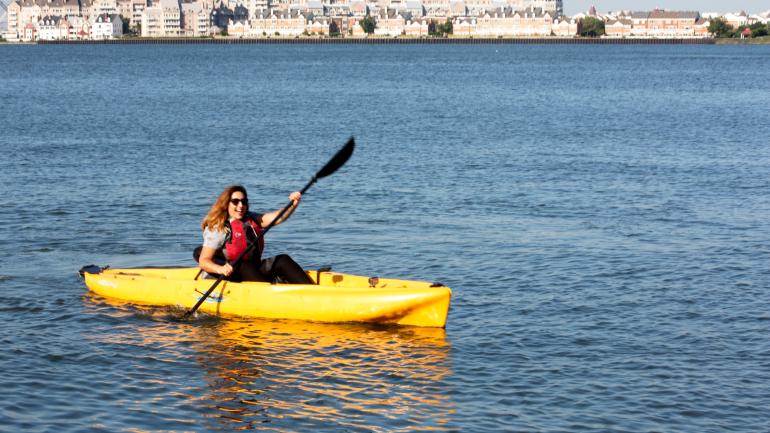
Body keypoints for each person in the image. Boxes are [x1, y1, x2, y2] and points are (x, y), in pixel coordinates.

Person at [196, 185, 313, 284]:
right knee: (244, 265)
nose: (240, 205)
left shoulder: (251, 218)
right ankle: (269, 293)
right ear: (226, 204)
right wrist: (220, 269)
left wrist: (292, 205)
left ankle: (312, 291)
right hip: (232, 273)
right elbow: (204, 260)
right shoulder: (219, 227)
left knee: (283, 259)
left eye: (244, 201)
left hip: (255, 269)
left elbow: (277, 218)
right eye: (235, 202)